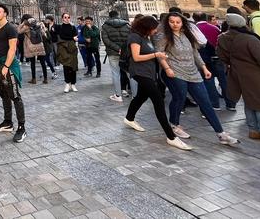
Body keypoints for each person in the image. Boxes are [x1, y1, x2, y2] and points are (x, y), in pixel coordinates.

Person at [156, 12, 239, 146]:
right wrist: (167, 68)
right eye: (172, 22)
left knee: (205, 101)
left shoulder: (187, 35)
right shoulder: (163, 36)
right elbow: (160, 54)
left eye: (178, 22)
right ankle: (174, 124)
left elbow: (195, 53)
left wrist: (204, 68)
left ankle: (221, 133)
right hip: (174, 71)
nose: (175, 24)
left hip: (192, 71)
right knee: (180, 97)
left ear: (182, 23)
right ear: (167, 22)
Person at [123, 15, 192, 151]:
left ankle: (129, 118)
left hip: (148, 72)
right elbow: (136, 57)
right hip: (140, 73)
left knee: (141, 97)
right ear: (147, 28)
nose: (155, 31)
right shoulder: (134, 37)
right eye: (154, 28)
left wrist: (159, 55)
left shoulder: (145, 37)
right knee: (158, 101)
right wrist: (156, 55)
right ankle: (171, 137)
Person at [217, 13, 260, 147]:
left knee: (249, 101)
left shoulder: (222, 38)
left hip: (238, 74)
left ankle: (254, 130)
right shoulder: (249, 38)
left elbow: (221, 56)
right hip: (257, 75)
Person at [0, 3, 26, 143]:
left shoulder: (11, 28)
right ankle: (7, 122)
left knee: (15, 95)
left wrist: (6, 66)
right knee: (4, 94)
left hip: (8, 65)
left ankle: (22, 128)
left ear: (5, 13)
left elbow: (12, 49)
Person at [194, 12, 235, 111]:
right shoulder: (214, 28)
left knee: (209, 82)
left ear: (194, 19)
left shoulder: (194, 30)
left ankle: (215, 104)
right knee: (223, 80)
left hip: (204, 59)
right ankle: (230, 104)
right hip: (218, 57)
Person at [101, 10, 130, 102]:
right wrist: (123, 49)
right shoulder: (127, 25)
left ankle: (118, 95)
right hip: (126, 53)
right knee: (130, 73)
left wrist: (118, 49)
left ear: (109, 17)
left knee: (115, 73)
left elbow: (106, 40)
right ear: (118, 15)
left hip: (113, 52)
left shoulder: (105, 26)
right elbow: (131, 38)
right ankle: (135, 96)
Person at [18, 15, 48, 84]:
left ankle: (34, 79)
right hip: (40, 45)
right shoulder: (38, 24)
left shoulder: (26, 27)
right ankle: (45, 79)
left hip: (31, 46)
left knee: (32, 63)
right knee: (43, 62)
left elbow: (18, 31)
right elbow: (44, 33)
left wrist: (22, 23)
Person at [55, 12, 79, 93]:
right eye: (65, 17)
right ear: (62, 18)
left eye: (68, 17)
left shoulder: (73, 27)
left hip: (72, 48)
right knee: (66, 66)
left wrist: (73, 38)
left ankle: (73, 84)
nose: (67, 19)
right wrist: (72, 38)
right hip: (64, 48)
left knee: (73, 66)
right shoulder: (60, 27)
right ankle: (67, 84)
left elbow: (76, 36)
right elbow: (62, 36)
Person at [42, 15, 58, 80]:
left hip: (49, 46)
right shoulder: (43, 29)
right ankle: (46, 71)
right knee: (45, 60)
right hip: (43, 48)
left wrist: (45, 34)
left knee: (49, 58)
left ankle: (54, 71)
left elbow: (49, 38)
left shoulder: (46, 30)